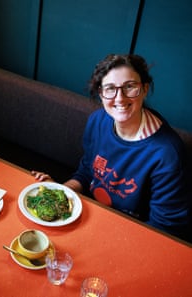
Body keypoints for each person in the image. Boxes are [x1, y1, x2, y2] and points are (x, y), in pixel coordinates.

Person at [32, 54, 191, 241]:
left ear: (145, 89)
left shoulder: (166, 153)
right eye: (110, 89)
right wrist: (58, 193)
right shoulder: (98, 121)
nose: (120, 98)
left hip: (131, 236)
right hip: (89, 216)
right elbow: (86, 172)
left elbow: (163, 231)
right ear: (101, 94)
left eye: (130, 87)